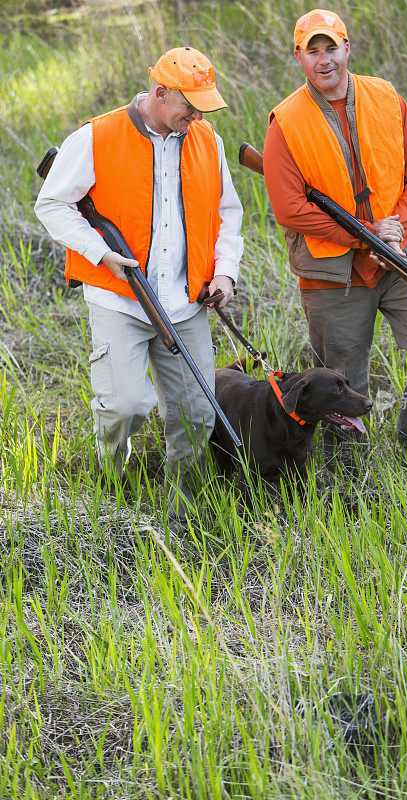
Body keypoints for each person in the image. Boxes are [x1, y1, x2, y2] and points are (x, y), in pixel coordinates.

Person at [35, 47, 244, 528]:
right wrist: (99, 252)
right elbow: (52, 204)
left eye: (202, 108)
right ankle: (109, 494)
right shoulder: (96, 136)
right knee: (125, 407)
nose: (195, 117)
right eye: (188, 106)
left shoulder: (206, 141)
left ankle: (181, 514)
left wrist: (224, 272)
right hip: (121, 300)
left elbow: (228, 213)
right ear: (159, 92)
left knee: (196, 418)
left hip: (186, 305)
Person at [263, 9, 407, 474]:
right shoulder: (284, 123)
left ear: (348, 48)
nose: (324, 60)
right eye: (314, 51)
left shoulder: (387, 97)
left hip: (399, 257)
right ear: (299, 59)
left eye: (332, 48)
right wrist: (360, 237)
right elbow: (289, 208)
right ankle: (349, 474)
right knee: (342, 380)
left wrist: (396, 230)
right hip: (333, 273)